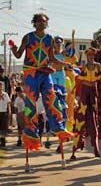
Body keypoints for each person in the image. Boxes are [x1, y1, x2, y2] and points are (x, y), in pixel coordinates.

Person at [10, 13, 72, 152]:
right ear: (34, 22)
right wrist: (13, 47)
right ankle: (31, 133)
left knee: (51, 97)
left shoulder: (50, 39)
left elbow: (52, 58)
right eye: (38, 21)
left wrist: (65, 64)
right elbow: (19, 55)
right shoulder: (28, 37)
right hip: (31, 73)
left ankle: (58, 127)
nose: (41, 23)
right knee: (31, 103)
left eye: (43, 21)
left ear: (47, 23)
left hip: (44, 72)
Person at [70, 47, 101, 160]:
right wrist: (73, 90)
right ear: (87, 56)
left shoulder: (98, 66)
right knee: (80, 119)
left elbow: (100, 78)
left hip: (93, 92)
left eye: (92, 55)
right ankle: (76, 147)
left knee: (93, 119)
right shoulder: (83, 67)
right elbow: (79, 80)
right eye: (89, 55)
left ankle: (96, 148)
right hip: (85, 92)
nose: (91, 56)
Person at [0, 81, 11, 147]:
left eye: (1, 85)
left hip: (4, 112)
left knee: (3, 127)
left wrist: (9, 111)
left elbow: (8, 103)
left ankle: (3, 140)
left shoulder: (5, 94)